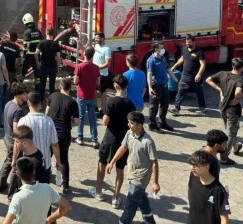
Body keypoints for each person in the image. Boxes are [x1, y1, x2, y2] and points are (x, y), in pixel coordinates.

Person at [89, 75, 136, 208]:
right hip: (123, 142)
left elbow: (105, 122)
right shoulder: (130, 104)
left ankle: (99, 191)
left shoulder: (111, 101)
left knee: (102, 163)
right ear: (126, 87)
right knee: (120, 169)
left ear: (115, 86)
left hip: (109, 138)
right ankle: (116, 198)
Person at [107, 111, 160, 224]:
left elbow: (154, 163)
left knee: (130, 206)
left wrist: (155, 183)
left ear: (140, 125)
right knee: (141, 199)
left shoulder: (148, 142)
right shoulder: (129, 133)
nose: (128, 124)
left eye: (131, 123)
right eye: (128, 122)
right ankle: (150, 221)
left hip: (141, 177)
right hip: (131, 173)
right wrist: (112, 162)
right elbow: (123, 148)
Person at [2, 157, 72, 224]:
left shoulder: (18, 197)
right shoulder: (47, 188)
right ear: (34, 171)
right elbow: (67, 206)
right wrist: (50, 219)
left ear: (17, 174)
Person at [206, 58, 243, 165]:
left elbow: (208, 79)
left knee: (232, 129)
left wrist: (220, 90)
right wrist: (238, 99)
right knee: (230, 134)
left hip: (222, 108)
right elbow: (238, 92)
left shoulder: (222, 74)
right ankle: (224, 158)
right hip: (232, 111)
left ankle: (236, 147)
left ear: (233, 66)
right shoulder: (240, 79)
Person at [16, 92, 61, 185]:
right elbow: (55, 145)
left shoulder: (23, 121)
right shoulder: (49, 121)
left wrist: (14, 159)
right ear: (40, 104)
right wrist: (58, 161)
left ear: (28, 103)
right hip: (45, 162)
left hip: (28, 164)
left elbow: (17, 144)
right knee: (44, 189)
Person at [45, 77, 80, 196]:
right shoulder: (73, 102)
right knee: (64, 159)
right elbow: (77, 122)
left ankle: (45, 178)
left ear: (60, 86)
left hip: (50, 132)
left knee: (48, 156)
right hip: (64, 134)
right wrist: (69, 121)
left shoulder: (52, 96)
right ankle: (64, 185)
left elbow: (46, 113)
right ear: (70, 88)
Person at [187, 150, 231, 224]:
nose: (193, 169)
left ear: (207, 166)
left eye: (196, 166)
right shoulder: (193, 177)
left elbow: (224, 220)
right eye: (192, 165)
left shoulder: (218, 190)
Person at [0, 83, 29, 193]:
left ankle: (0, 184)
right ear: (19, 95)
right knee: (15, 166)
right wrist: (20, 142)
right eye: (25, 93)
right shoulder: (18, 110)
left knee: (8, 161)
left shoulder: (9, 104)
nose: (27, 95)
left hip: (6, 137)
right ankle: (12, 192)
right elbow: (16, 130)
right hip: (13, 142)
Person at [171, 35, 207, 115]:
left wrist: (199, 74)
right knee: (181, 90)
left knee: (199, 92)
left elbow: (203, 64)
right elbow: (182, 59)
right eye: (186, 42)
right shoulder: (184, 49)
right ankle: (176, 108)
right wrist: (174, 66)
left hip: (196, 76)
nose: (187, 44)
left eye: (189, 42)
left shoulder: (199, 52)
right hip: (185, 75)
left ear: (194, 42)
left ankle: (202, 107)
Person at [9, 125, 50, 197]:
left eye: (17, 142)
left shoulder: (33, 163)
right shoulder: (37, 153)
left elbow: (33, 189)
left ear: (24, 143)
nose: (15, 144)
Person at [147, 42, 179, 132]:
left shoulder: (163, 58)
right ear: (156, 49)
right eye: (161, 47)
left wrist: (177, 81)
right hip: (156, 86)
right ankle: (152, 124)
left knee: (164, 105)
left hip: (164, 85)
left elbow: (169, 70)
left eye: (162, 47)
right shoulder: (151, 60)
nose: (163, 49)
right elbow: (149, 74)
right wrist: (149, 87)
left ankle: (162, 123)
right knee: (154, 106)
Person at [73, 45, 100, 147]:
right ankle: (94, 140)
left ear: (84, 54)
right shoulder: (96, 67)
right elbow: (98, 82)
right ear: (93, 55)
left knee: (81, 116)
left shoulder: (79, 66)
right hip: (92, 95)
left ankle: (80, 138)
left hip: (82, 95)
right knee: (92, 117)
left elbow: (75, 81)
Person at [36, 26, 61, 99]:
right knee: (52, 85)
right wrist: (57, 67)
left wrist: (37, 62)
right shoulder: (56, 44)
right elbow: (58, 57)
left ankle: (40, 100)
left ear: (46, 33)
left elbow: (36, 53)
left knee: (42, 84)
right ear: (53, 34)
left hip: (44, 66)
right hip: (53, 67)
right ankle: (51, 101)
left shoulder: (42, 42)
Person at [93, 32, 113, 116]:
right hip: (94, 73)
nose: (96, 39)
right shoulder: (96, 46)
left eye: (97, 38)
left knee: (103, 92)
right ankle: (94, 106)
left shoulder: (107, 49)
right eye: (95, 38)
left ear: (102, 38)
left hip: (102, 75)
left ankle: (103, 110)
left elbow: (108, 64)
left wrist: (97, 68)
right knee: (94, 90)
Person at [21, 13, 43, 81]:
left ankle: (20, 82)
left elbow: (26, 45)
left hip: (29, 56)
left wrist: (24, 55)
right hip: (37, 56)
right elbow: (41, 43)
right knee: (37, 73)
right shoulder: (38, 31)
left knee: (24, 70)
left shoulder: (27, 32)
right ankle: (38, 86)